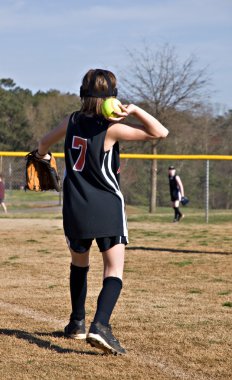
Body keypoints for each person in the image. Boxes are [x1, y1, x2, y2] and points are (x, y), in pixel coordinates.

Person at [36, 69, 169, 355]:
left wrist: (44, 157)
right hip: (106, 205)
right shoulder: (112, 127)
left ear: (82, 94)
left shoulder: (70, 121)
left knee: (79, 264)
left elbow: (42, 145)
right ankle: (101, 325)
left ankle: (77, 323)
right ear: (112, 97)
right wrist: (133, 109)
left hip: (74, 206)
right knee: (114, 269)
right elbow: (160, 132)